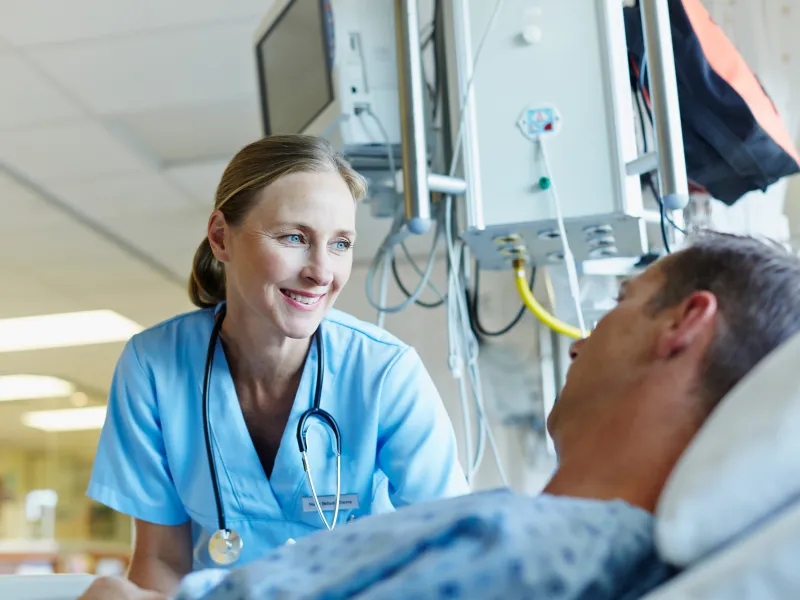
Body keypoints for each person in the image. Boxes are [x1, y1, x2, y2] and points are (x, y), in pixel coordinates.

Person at [80, 232, 800, 600]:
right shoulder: (589, 549)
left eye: (619, 302)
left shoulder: (522, 545)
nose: (581, 338)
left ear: (685, 324)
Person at [85, 135, 469, 595]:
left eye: (341, 244)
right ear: (221, 237)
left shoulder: (383, 372)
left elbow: (454, 551)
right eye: (294, 237)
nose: (322, 271)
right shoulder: (153, 367)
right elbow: (161, 559)